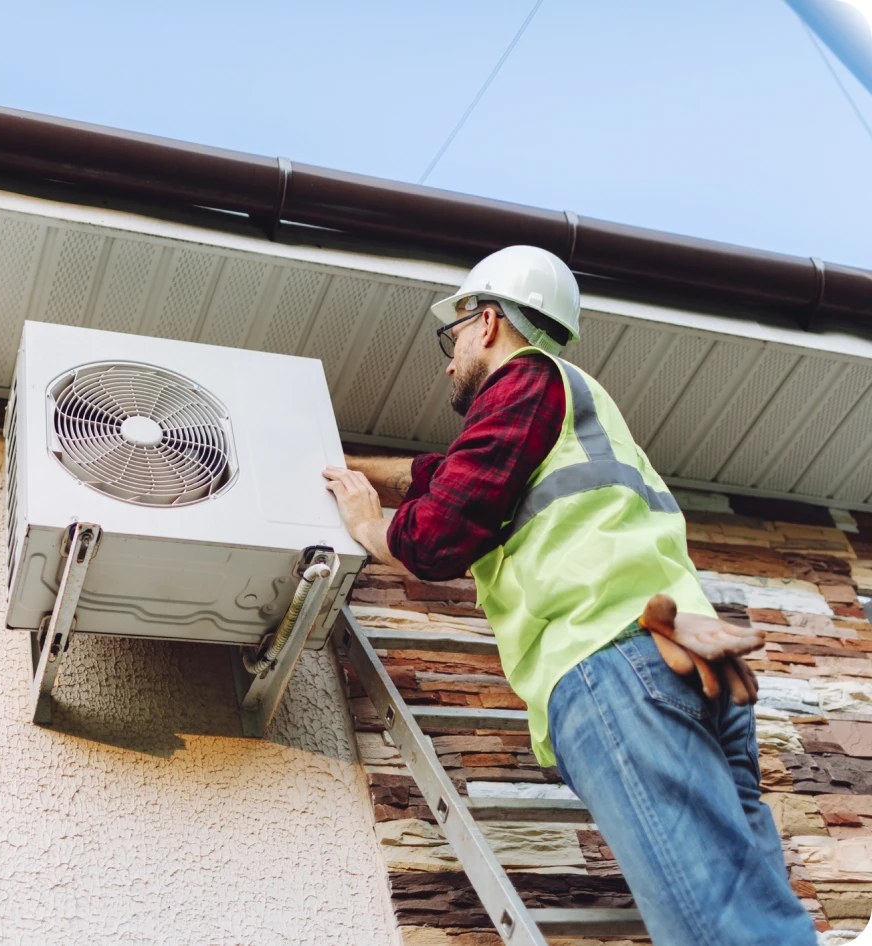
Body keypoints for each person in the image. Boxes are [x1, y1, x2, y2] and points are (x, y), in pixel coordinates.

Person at [322, 245, 817, 946]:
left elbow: (436, 536)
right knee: (755, 916)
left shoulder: (522, 384)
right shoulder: (570, 404)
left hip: (611, 661)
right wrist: (338, 462)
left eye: (454, 333)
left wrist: (372, 528)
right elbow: (440, 473)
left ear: (488, 322)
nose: (447, 356)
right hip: (691, 662)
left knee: (719, 933)